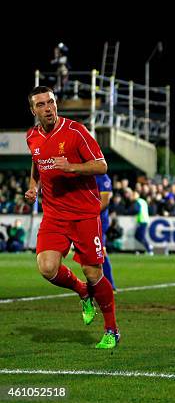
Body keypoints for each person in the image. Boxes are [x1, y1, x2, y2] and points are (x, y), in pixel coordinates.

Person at [24, 86, 119, 349]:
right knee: (46, 267)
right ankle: (81, 292)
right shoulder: (31, 136)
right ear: (33, 110)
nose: (48, 108)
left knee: (93, 272)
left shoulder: (76, 131)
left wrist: (72, 167)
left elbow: (101, 165)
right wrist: (34, 187)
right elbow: (36, 163)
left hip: (84, 215)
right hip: (54, 215)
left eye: (51, 102)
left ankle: (111, 329)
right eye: (41, 104)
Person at [96, 174, 117, 290]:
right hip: (86, 220)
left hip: (99, 221)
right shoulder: (84, 175)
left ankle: (110, 285)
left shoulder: (103, 179)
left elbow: (104, 203)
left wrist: (86, 214)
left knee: (101, 251)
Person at [130, 191, 153, 255]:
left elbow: (136, 210)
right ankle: (148, 246)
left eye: (133, 195)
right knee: (137, 236)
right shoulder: (142, 201)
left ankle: (149, 249)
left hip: (142, 221)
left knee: (140, 236)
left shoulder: (137, 202)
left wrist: (129, 212)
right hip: (144, 220)